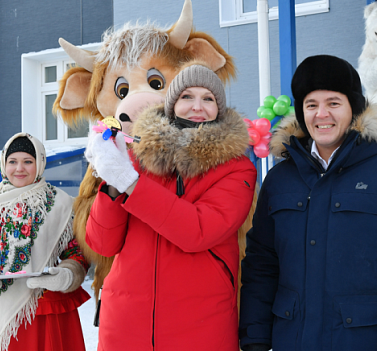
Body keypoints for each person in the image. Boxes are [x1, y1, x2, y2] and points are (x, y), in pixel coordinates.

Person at [239, 55, 377, 351]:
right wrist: (254, 338)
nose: (322, 114)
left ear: (354, 108)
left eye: (333, 103)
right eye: (311, 105)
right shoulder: (279, 180)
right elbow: (261, 266)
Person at [84, 63, 257, 350]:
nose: (197, 106)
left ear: (219, 108)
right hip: (125, 326)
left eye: (208, 98)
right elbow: (102, 243)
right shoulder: (138, 158)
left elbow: (198, 231)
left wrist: (130, 182)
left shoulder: (236, 169)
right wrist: (112, 181)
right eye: (187, 96)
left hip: (201, 326)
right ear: (172, 103)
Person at [0, 133, 90, 351]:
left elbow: (78, 252)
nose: (19, 168)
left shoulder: (61, 204)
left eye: (28, 161)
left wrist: (66, 275)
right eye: (12, 161)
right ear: (4, 164)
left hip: (44, 309)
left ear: (40, 163)